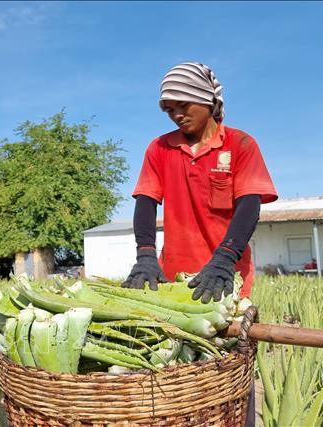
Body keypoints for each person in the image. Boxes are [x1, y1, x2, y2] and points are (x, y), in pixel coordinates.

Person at [122, 62, 277, 426]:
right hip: (175, 282)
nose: (176, 114)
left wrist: (225, 258)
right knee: (178, 375)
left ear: (207, 100)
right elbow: (145, 201)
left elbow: (249, 204)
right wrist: (145, 255)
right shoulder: (160, 149)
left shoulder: (240, 144)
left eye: (183, 105)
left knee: (230, 370)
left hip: (227, 279)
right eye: (168, 109)